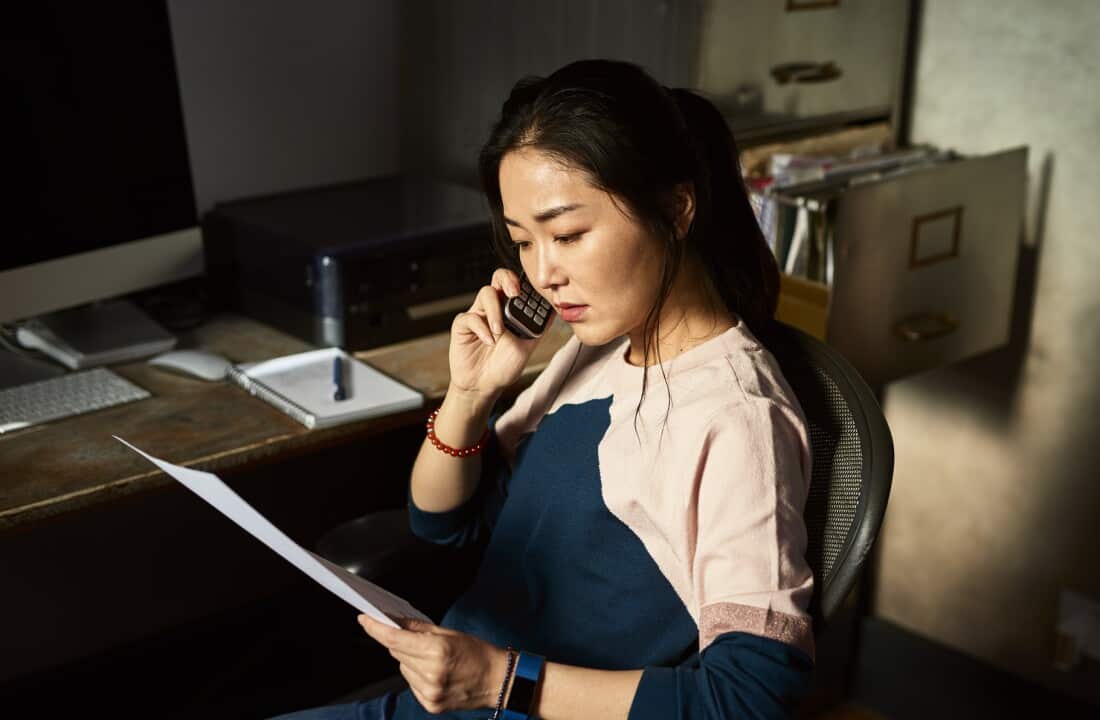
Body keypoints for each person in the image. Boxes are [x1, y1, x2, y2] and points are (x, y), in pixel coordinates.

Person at [274, 59, 814, 720]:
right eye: (523, 242)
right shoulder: (599, 346)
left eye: (567, 236)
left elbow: (750, 698)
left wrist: (501, 682)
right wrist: (469, 397)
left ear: (675, 210)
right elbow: (443, 527)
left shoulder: (736, 418)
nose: (543, 273)